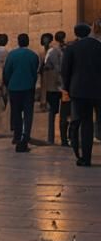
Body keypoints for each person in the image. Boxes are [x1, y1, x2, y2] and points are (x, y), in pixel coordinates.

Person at [62, 20, 101, 167]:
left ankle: (86, 158)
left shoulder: (72, 48)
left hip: (79, 90)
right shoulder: (99, 46)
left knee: (86, 123)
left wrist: (67, 87)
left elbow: (65, 71)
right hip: (98, 90)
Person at [3, 33, 39, 152]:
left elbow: (7, 72)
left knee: (16, 112)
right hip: (28, 87)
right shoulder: (33, 55)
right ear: (28, 42)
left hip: (14, 88)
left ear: (18, 42)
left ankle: (16, 136)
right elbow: (35, 73)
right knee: (28, 114)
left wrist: (8, 84)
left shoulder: (12, 55)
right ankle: (26, 136)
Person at [43, 31, 69, 146]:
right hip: (63, 86)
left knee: (54, 112)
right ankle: (63, 139)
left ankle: (52, 137)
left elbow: (47, 65)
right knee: (65, 113)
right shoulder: (65, 50)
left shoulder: (52, 51)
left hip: (54, 86)